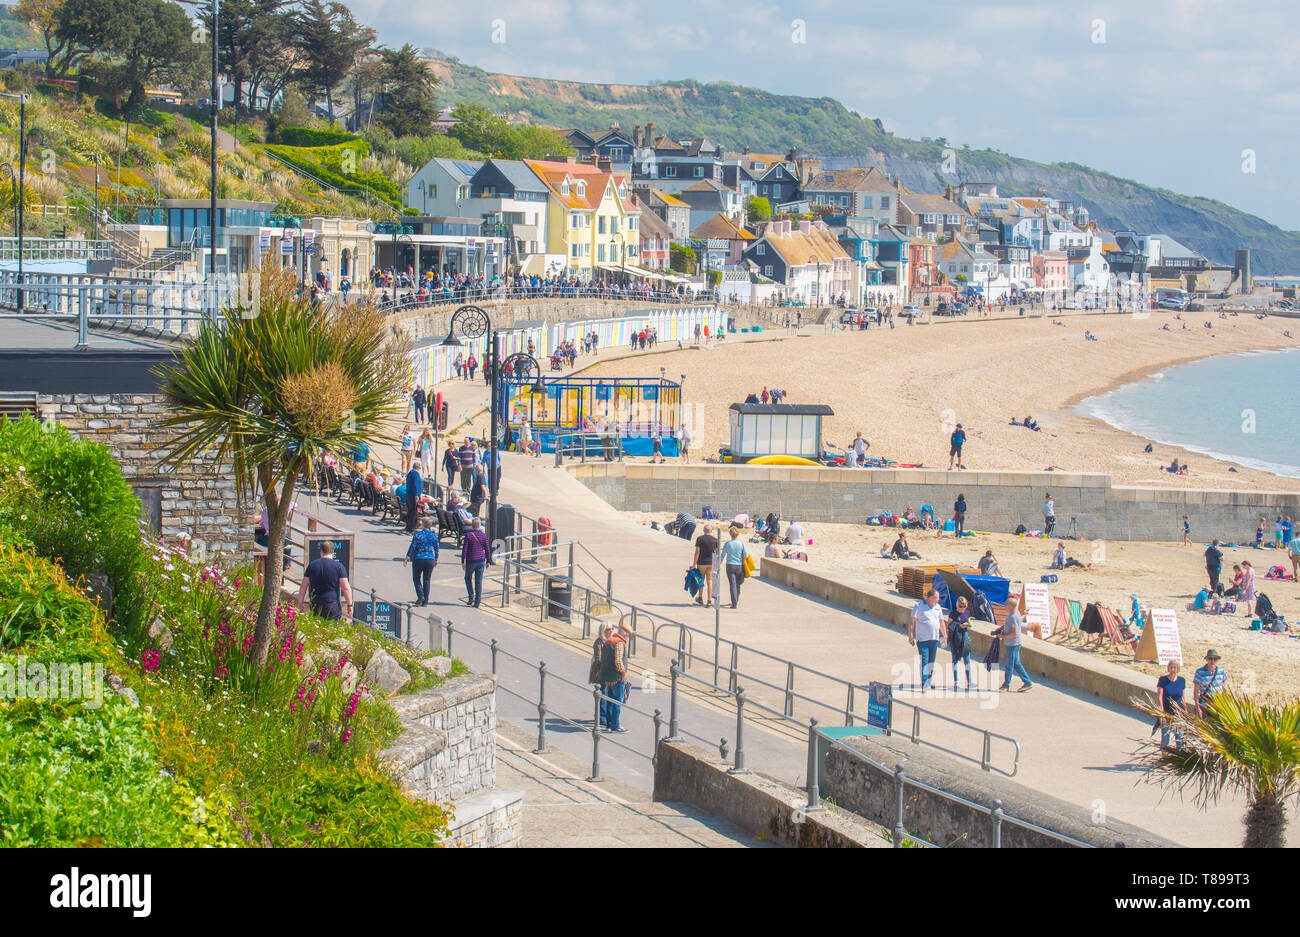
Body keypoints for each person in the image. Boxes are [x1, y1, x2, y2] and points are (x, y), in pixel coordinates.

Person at [298, 540, 352, 620]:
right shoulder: (339, 567)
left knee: (317, 628)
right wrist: (349, 605)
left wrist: (300, 602)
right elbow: (346, 588)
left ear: (321, 551)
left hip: (316, 603)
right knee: (332, 628)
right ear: (333, 552)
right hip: (332, 603)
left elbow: (304, 585)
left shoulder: (312, 565)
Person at [908, 589, 946, 691]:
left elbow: (941, 622)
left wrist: (945, 636)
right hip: (922, 639)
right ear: (930, 598)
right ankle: (924, 682)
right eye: (937, 598)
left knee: (931, 661)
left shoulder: (938, 607)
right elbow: (912, 621)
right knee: (925, 660)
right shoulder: (919, 606)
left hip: (934, 638)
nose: (938, 600)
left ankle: (929, 681)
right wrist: (911, 634)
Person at [992, 603, 1034, 692]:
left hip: (1013, 644)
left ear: (1011, 606)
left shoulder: (1012, 617)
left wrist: (1002, 636)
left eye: (1006, 605)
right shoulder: (1016, 613)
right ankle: (1027, 682)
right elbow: (1020, 620)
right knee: (1016, 663)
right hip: (1016, 643)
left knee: (1009, 665)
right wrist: (1000, 629)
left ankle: (1006, 685)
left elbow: (1014, 633)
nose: (1005, 606)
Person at [597, 624, 629, 732]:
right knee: (617, 702)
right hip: (617, 677)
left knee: (610, 701)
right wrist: (623, 673)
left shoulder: (609, 640)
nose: (628, 637)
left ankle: (609, 724)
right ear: (623, 633)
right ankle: (615, 725)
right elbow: (619, 661)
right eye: (628, 634)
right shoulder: (619, 643)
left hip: (608, 677)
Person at [403, 516, 440, 606]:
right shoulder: (433, 535)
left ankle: (420, 595)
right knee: (427, 580)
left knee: (416, 578)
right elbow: (437, 548)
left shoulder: (418, 534)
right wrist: (436, 558)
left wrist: (407, 557)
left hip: (418, 558)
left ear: (423, 524)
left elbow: (413, 546)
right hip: (430, 558)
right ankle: (425, 601)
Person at [460, 516, 492, 608]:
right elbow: (487, 549)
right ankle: (477, 601)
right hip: (481, 560)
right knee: (478, 581)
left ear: (472, 526)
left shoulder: (469, 535)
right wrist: (488, 560)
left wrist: (463, 561)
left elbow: (464, 549)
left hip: (471, 560)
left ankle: (471, 596)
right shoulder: (483, 535)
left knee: (468, 578)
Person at [1156, 661, 1185, 749]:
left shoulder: (1181, 680)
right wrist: (1162, 714)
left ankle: (1179, 757)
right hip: (1166, 712)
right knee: (1165, 737)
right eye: (1171, 667)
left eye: (1175, 668)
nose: (1173, 670)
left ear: (1178, 669)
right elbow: (1159, 697)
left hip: (1178, 713)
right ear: (1168, 668)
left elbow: (1183, 697)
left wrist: (1185, 712)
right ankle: (1164, 756)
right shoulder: (1163, 680)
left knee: (1179, 737)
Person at [719, 525, 750, 609]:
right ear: (738, 534)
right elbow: (746, 555)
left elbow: (722, 556)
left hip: (730, 565)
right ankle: (736, 600)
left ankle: (734, 602)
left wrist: (719, 565)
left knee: (732, 584)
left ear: (730, 534)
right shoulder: (741, 544)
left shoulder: (728, 544)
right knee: (738, 584)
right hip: (739, 566)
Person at [947, 595, 974, 690]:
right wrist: (959, 626)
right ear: (957, 605)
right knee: (955, 660)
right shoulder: (953, 614)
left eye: (964, 606)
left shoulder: (967, 613)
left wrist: (967, 625)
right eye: (960, 606)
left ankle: (969, 681)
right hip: (955, 639)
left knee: (967, 660)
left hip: (965, 638)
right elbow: (949, 626)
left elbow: (970, 624)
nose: (962, 608)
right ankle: (956, 681)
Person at [1192, 649, 1226, 715]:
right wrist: (1197, 707)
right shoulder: (1200, 672)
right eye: (1210, 658)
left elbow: (1224, 687)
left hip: (1217, 704)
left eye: (1215, 659)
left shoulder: (1222, 671)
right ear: (1206, 659)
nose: (1212, 661)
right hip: (1204, 704)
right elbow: (1196, 691)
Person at [404, 463, 423, 532]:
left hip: (408, 494)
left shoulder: (410, 473)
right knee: (413, 511)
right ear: (418, 468)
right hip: (413, 495)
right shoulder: (415, 474)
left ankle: (408, 525)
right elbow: (416, 484)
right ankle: (411, 527)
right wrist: (417, 494)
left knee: (410, 510)